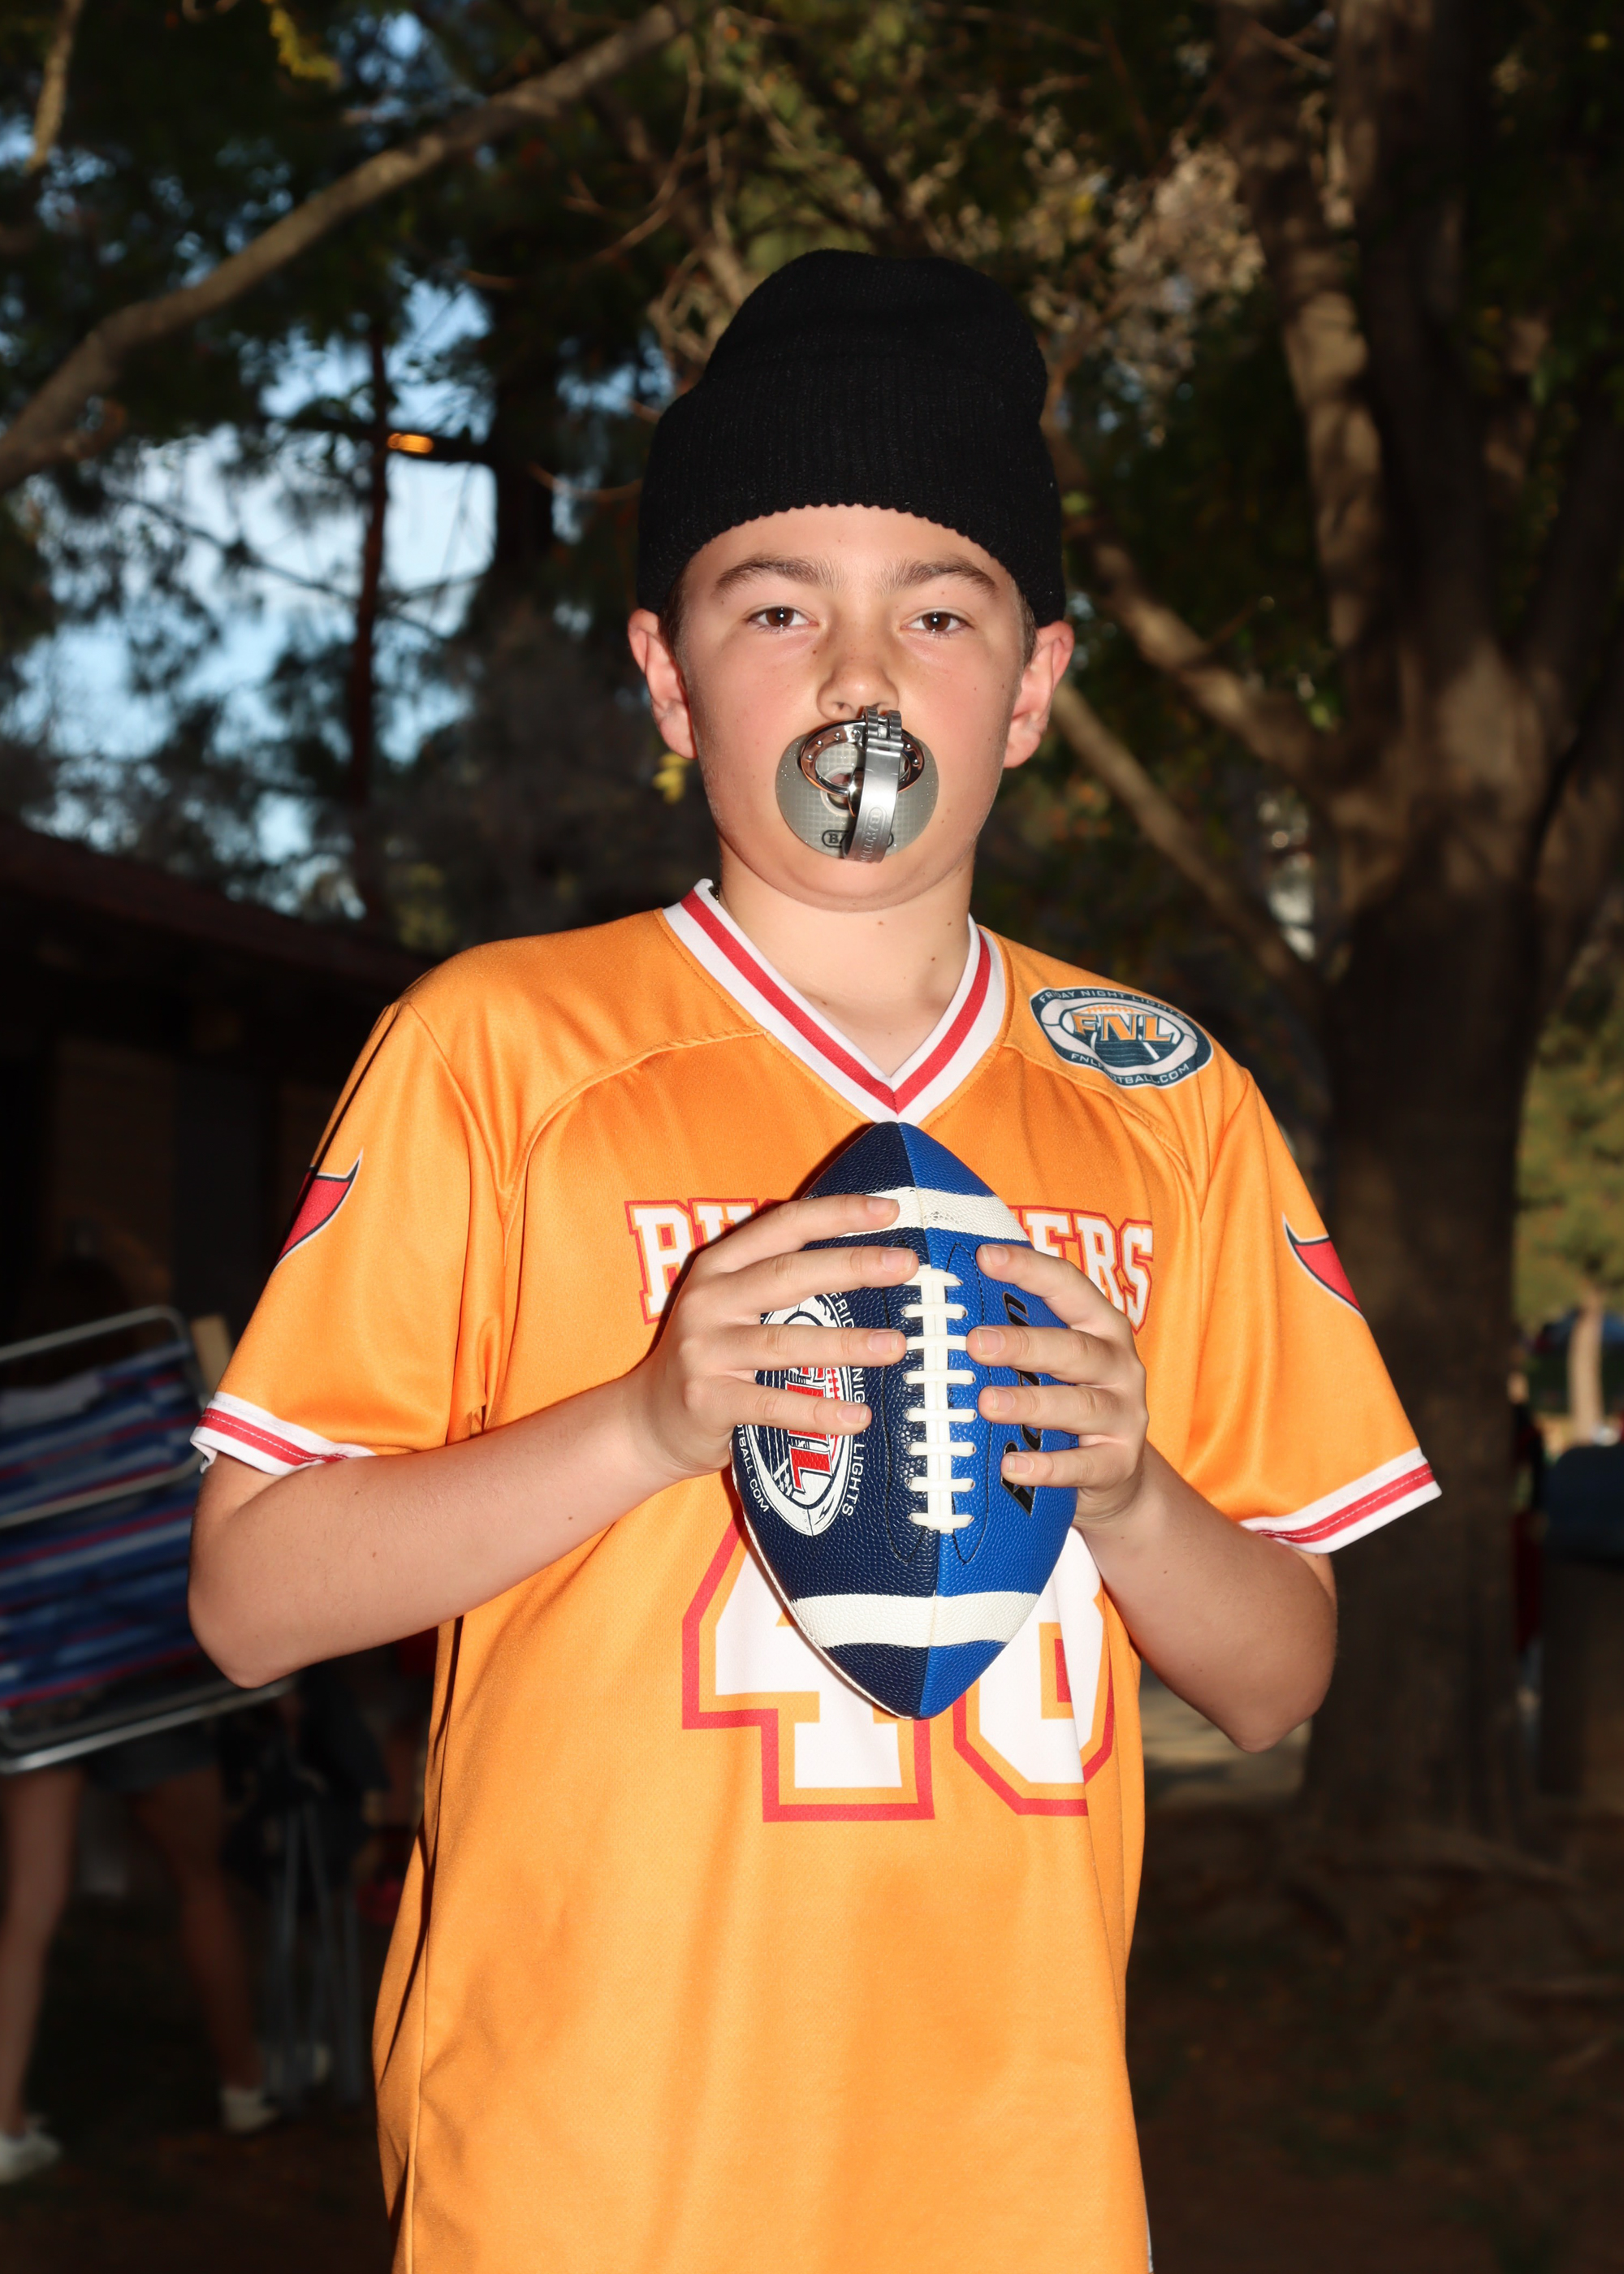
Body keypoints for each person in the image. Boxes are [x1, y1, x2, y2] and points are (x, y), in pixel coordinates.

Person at [188, 254, 1439, 2272]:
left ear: (1029, 683)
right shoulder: (500, 1047)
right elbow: (250, 1600)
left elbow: (1275, 1677)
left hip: (1010, 2177)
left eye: (936, 610)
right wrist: (640, 1422)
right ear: (670, 675)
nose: (860, 675)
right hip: (587, 2175)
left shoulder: (1165, 1097)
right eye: (776, 605)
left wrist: (1129, 1493)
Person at [0, 1260, 274, 2185]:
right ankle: (245, 2085)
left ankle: (3, 2126)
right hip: (146, 1669)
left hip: (41, 1683)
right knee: (199, 1884)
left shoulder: (5, 1419)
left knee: (28, 1907)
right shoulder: (155, 1396)